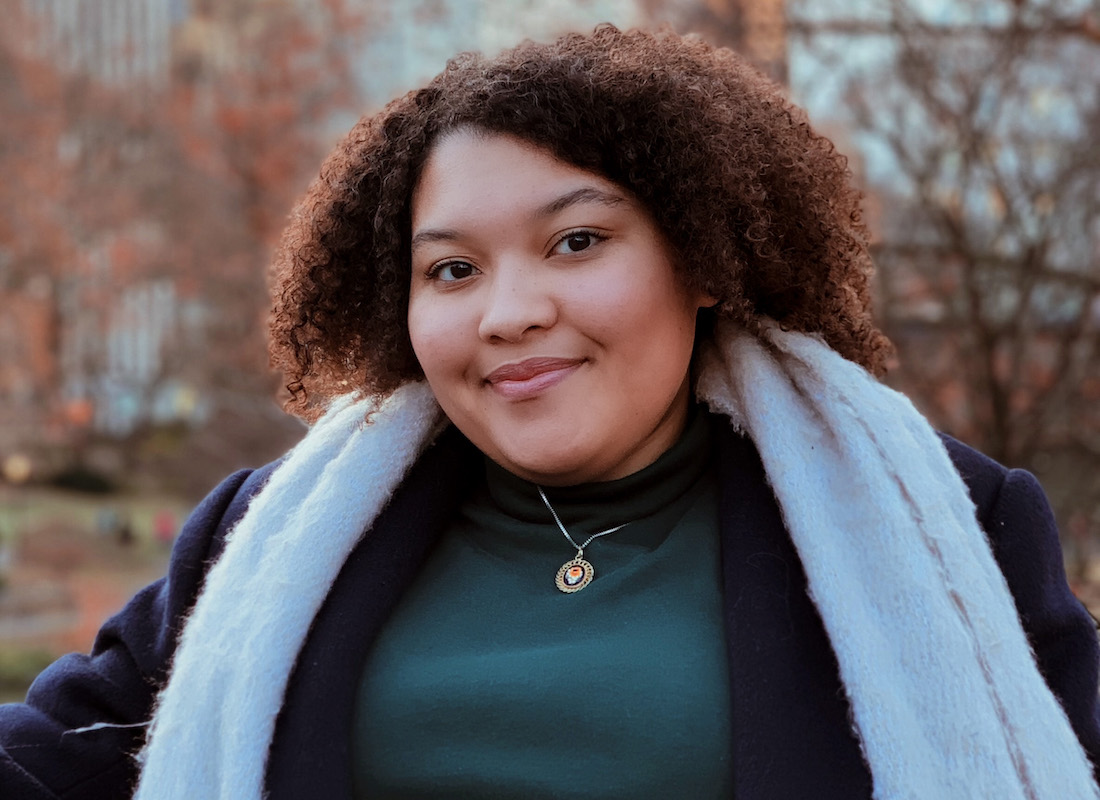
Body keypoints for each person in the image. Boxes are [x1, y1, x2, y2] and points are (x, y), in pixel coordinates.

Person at [2, 25, 1098, 800]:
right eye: (451, 269)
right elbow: (51, 759)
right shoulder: (265, 533)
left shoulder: (948, 525)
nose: (509, 313)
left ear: (702, 259)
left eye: (577, 241)